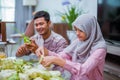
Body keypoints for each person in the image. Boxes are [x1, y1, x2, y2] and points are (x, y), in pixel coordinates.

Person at [35, 14, 107, 80]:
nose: (77, 33)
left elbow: (83, 70)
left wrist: (56, 60)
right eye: (76, 30)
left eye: (81, 30)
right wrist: (47, 52)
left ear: (90, 29)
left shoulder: (100, 48)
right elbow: (62, 56)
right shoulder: (78, 41)